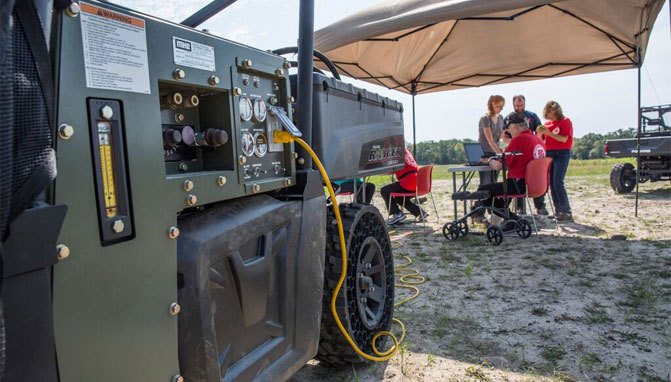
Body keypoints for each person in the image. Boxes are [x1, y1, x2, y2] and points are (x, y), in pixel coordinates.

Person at [475, 113, 546, 223]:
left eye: (508, 127)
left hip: (518, 185)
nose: (507, 131)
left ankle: (514, 219)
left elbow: (500, 166)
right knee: (500, 200)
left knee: (483, 190)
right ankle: (496, 225)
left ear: (515, 127)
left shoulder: (518, 140)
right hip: (537, 185)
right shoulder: (539, 141)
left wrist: (488, 161)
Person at [503, 95, 548, 215]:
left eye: (522, 105)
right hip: (517, 148)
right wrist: (514, 143)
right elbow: (504, 136)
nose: (520, 107)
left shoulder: (532, 116)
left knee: (534, 176)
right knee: (518, 173)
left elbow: (540, 131)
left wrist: (533, 141)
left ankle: (540, 206)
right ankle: (519, 209)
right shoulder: (508, 118)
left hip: (531, 149)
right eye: (517, 106)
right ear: (513, 105)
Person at [537, 100, 574, 221]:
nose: (550, 115)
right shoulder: (547, 124)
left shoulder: (565, 121)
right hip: (549, 153)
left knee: (558, 182)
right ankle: (558, 211)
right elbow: (541, 140)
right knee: (552, 183)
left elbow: (563, 139)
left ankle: (566, 210)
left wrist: (549, 133)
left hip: (562, 153)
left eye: (552, 113)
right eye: (548, 113)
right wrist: (540, 133)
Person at [380, 147, 428, 225]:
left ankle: (397, 214)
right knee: (400, 198)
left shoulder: (397, 154)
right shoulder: (407, 153)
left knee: (384, 190)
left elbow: (391, 169)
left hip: (407, 184)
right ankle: (420, 212)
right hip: (415, 183)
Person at [477, 95, 505, 186]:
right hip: (485, 154)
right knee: (486, 182)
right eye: (500, 106)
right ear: (493, 104)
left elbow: (501, 137)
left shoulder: (501, 118)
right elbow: (490, 140)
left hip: (495, 154)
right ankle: (482, 200)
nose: (501, 109)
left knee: (494, 182)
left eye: (502, 106)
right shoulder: (485, 118)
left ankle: (492, 200)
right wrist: (501, 155)